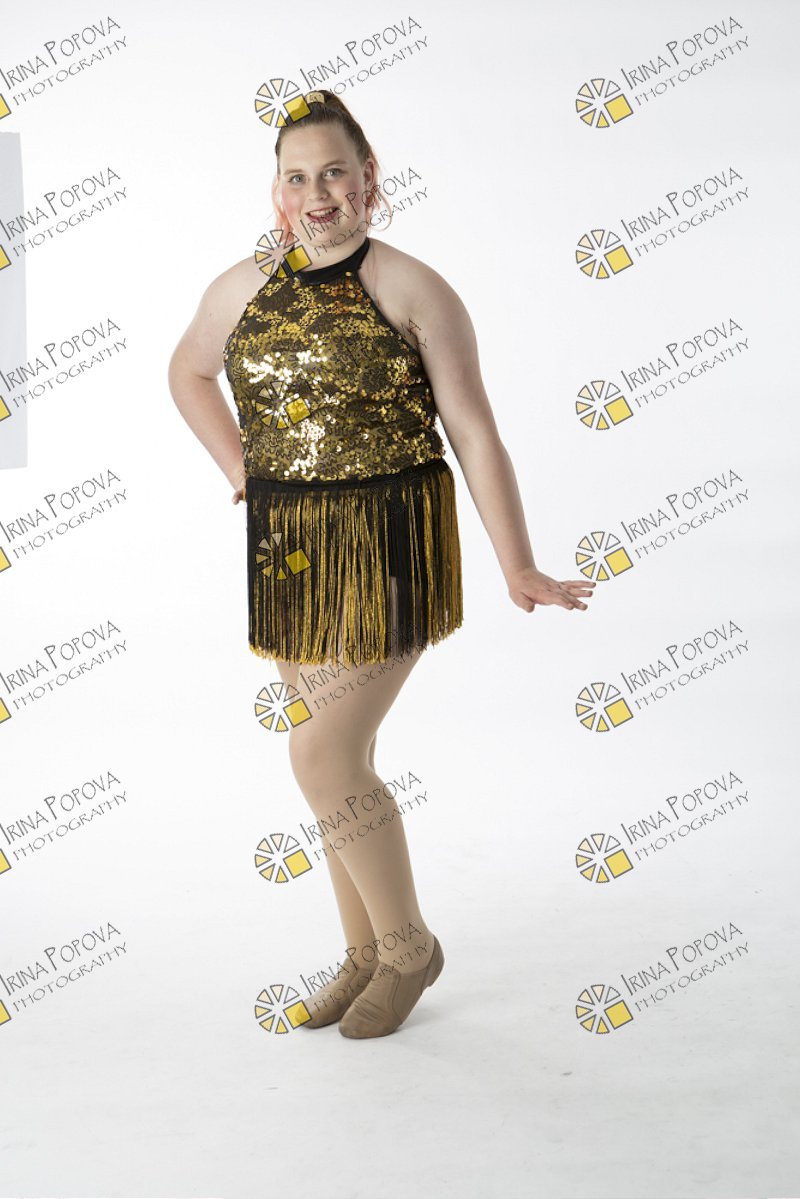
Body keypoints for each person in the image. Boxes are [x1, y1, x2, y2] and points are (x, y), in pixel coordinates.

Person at [167, 89, 596, 1039]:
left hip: (391, 542)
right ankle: (361, 951)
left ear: (369, 179)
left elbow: (473, 430)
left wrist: (517, 563)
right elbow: (187, 370)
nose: (317, 194)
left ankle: (408, 949)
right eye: (297, 177)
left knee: (321, 753)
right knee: (336, 764)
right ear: (276, 192)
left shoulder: (412, 287)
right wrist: (240, 468)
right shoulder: (241, 285)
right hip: (290, 547)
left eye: (334, 172)